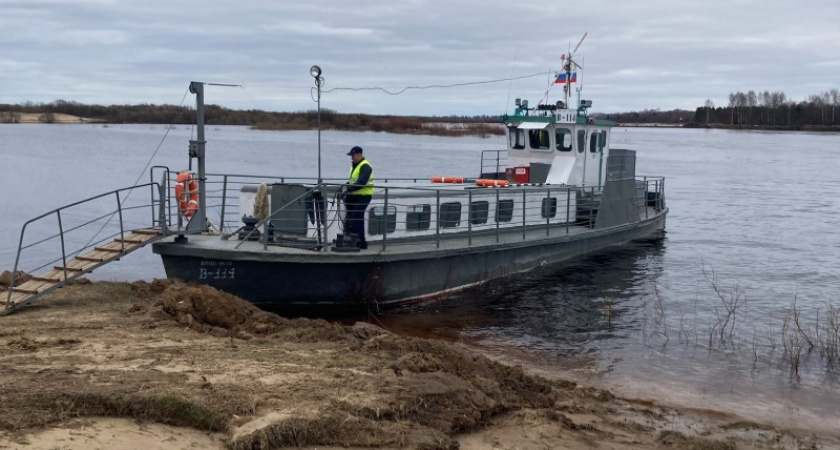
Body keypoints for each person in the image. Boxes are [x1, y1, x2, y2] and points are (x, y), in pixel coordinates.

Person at [343, 145, 374, 249]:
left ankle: (361, 242)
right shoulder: (354, 165)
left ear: (359, 155)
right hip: (353, 196)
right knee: (351, 218)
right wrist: (345, 186)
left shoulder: (365, 166)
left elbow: (361, 182)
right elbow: (353, 180)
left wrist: (349, 188)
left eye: (353, 155)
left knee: (357, 217)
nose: (351, 158)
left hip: (364, 195)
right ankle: (353, 240)